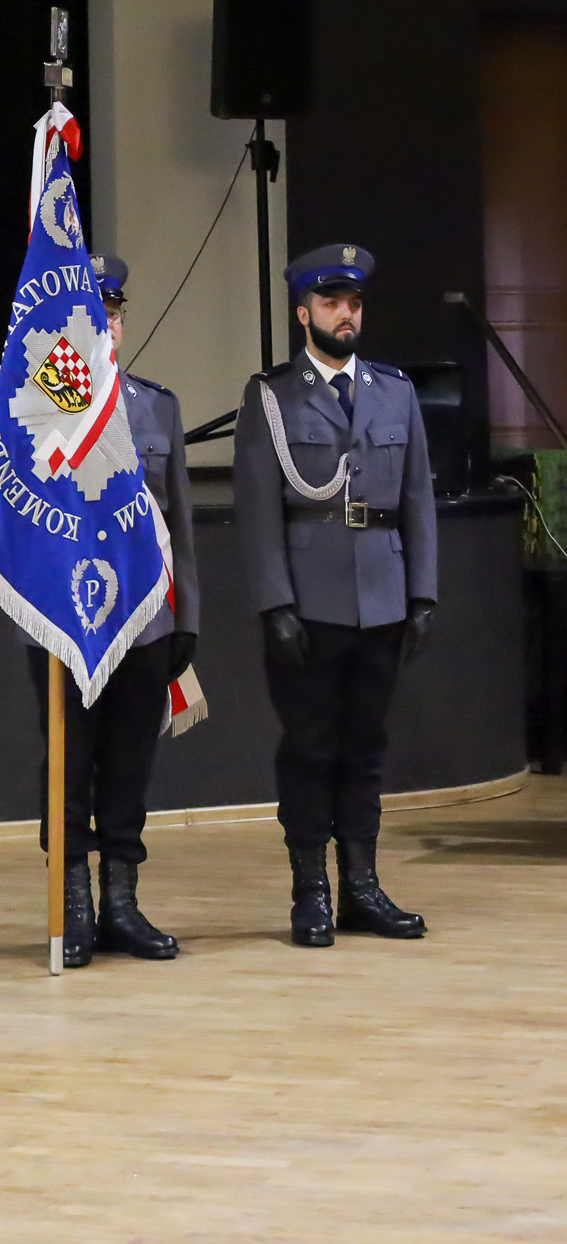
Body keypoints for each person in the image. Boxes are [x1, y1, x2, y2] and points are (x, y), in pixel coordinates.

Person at [232, 244, 436, 948]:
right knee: (310, 748)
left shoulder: (394, 391)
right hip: (309, 600)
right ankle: (311, 889)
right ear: (304, 313)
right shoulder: (272, 397)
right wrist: (275, 604)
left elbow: (417, 498)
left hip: (382, 593)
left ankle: (363, 887)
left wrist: (423, 593)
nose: (345, 315)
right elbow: (258, 510)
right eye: (330, 303)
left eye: (353, 303)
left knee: (366, 747)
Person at [27, 256, 198, 967]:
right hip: (67, 619)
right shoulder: (40, 402)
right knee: (70, 766)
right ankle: (73, 905)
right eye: (90, 317)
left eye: (113, 315)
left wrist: (187, 619)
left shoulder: (157, 406)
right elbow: (24, 517)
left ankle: (121, 903)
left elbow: (179, 521)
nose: (104, 327)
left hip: (146, 618)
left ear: (122, 325)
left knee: (130, 764)